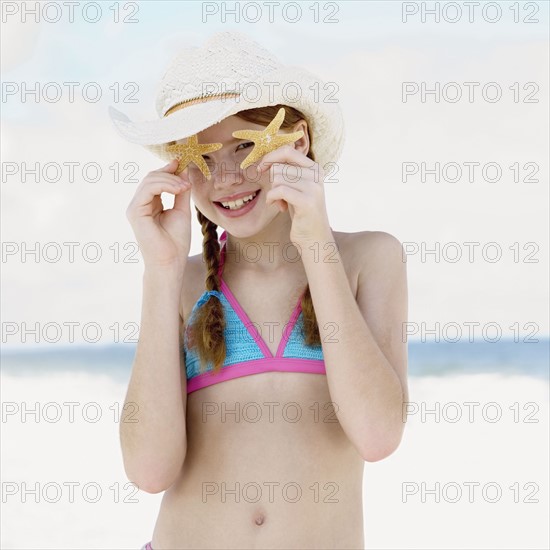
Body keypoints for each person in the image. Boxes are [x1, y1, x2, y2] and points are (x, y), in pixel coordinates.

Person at [109, 31, 409, 550]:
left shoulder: (368, 260)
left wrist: (316, 244)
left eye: (246, 145)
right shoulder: (181, 284)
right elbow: (148, 469)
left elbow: (378, 435)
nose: (225, 175)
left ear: (299, 143)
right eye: (201, 154)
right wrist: (160, 270)